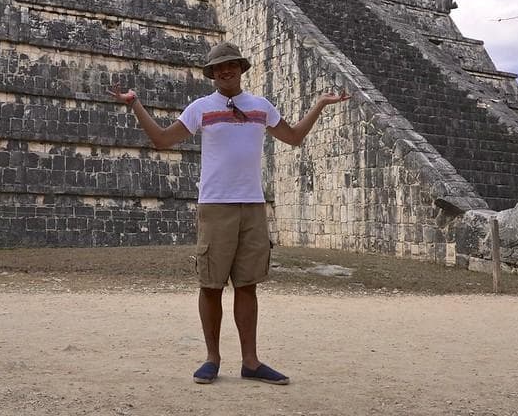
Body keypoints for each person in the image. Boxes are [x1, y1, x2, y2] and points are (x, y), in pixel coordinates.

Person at [108, 41, 349, 385]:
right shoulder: (201, 108)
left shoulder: (260, 107)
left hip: (252, 205)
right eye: (218, 68)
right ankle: (212, 358)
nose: (225, 71)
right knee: (211, 285)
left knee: (247, 285)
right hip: (216, 205)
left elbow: (293, 137)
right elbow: (162, 140)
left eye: (231, 65)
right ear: (212, 74)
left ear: (240, 67)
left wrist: (320, 105)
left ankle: (250, 361)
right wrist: (135, 105)